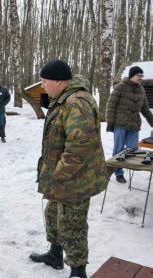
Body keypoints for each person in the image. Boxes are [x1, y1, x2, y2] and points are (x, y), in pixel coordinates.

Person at [29, 60, 108, 278]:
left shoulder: (76, 103)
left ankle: (78, 271)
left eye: (44, 82)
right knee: (53, 214)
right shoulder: (62, 99)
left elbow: (79, 146)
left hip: (75, 179)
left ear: (58, 81)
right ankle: (55, 255)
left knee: (72, 225)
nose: (42, 86)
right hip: (61, 177)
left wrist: (59, 174)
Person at [106, 66, 153, 183]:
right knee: (119, 150)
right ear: (132, 75)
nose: (141, 78)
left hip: (134, 125)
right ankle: (118, 173)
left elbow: (145, 109)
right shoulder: (120, 87)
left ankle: (123, 168)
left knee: (132, 149)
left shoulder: (141, 90)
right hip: (120, 124)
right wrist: (110, 122)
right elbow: (110, 105)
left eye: (142, 76)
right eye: (139, 75)